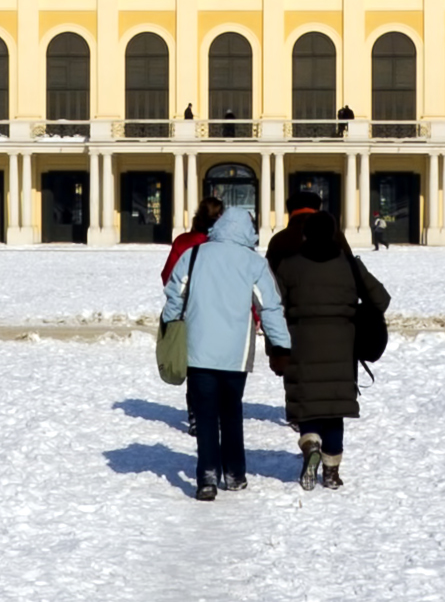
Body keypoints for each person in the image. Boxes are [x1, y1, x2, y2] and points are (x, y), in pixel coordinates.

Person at [157, 195, 280, 500]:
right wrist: (282, 344)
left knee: (206, 414)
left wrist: (170, 322)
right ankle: (235, 473)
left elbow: (175, 294)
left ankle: (207, 476)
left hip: (199, 350)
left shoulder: (195, 254)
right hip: (236, 354)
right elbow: (269, 306)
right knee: (232, 411)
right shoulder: (254, 262)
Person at [266, 184, 389, 489]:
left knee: (308, 402)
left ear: (306, 235)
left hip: (301, 341)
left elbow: (273, 306)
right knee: (335, 408)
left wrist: (276, 346)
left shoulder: (289, 265)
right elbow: (381, 299)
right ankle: (331, 471)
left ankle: (310, 444)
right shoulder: (348, 264)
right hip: (342, 343)